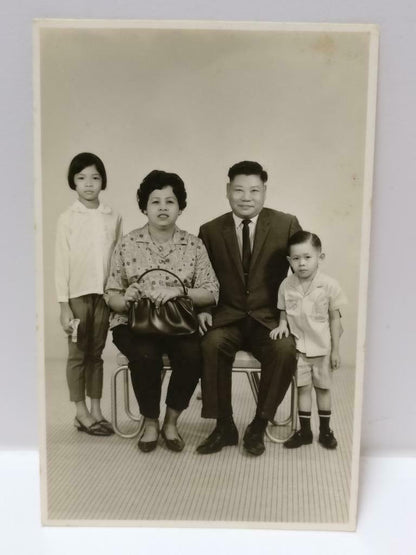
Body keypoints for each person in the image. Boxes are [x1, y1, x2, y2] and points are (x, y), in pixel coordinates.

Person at [105, 170, 219, 453]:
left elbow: (212, 292)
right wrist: (127, 297)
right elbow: (111, 295)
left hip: (178, 322)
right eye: (155, 202)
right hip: (133, 322)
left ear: (181, 207)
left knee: (193, 354)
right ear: (144, 207)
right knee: (145, 354)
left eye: (170, 201)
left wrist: (180, 292)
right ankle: (150, 421)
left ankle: (171, 421)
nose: (163, 208)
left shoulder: (194, 245)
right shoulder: (128, 243)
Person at [197, 161, 301, 456]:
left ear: (264, 192)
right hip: (226, 316)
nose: (246, 197)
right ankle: (224, 425)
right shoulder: (210, 230)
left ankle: (258, 424)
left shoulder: (286, 224)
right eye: (239, 190)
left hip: (268, 319)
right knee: (212, 343)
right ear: (227, 191)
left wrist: (289, 317)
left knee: (284, 350)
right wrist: (203, 309)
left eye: (254, 190)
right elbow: (200, 276)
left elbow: (301, 276)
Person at [55, 152, 123, 436]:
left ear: (102, 181)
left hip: (103, 296)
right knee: (77, 354)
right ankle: (80, 412)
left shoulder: (113, 217)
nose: (88, 184)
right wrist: (64, 306)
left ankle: (96, 410)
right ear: (73, 181)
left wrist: (116, 294)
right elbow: (61, 261)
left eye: (95, 178)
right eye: (81, 178)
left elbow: (119, 258)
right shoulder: (67, 218)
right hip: (77, 296)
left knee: (96, 354)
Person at [270, 231, 347, 449]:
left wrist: (335, 351)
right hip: (299, 349)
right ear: (289, 261)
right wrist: (282, 325)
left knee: (322, 389)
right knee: (303, 389)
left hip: (322, 348)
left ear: (320, 257)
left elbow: (335, 320)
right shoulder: (286, 285)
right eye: (296, 259)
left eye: (307, 257)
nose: (301, 263)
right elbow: (284, 311)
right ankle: (304, 432)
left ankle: (325, 431)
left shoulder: (329, 285)